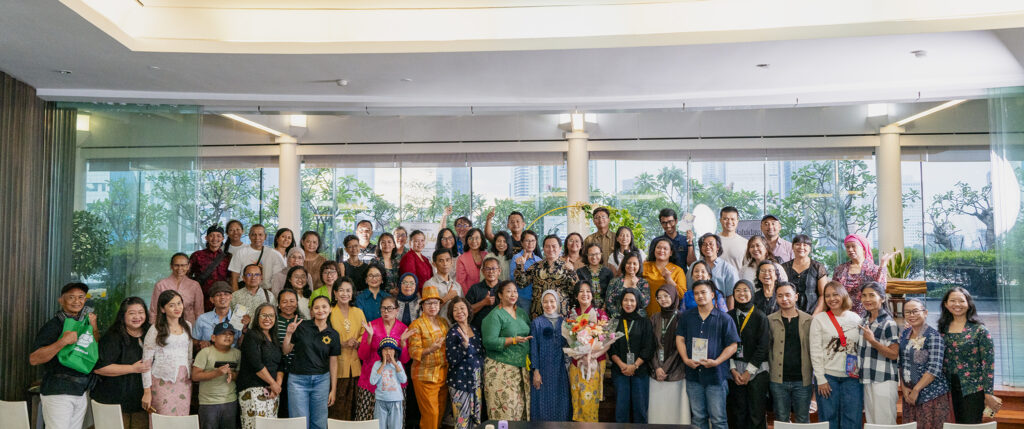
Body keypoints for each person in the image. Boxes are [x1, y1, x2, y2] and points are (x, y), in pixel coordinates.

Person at [30, 282, 99, 429]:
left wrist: (93, 327)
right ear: (61, 300)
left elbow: (94, 347)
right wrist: (62, 342)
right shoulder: (53, 325)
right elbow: (34, 358)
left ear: (85, 300)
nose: (77, 301)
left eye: (81, 297)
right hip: (58, 391)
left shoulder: (85, 324)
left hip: (80, 391)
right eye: (71, 297)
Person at [675, 280, 740, 429]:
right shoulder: (686, 316)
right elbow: (680, 339)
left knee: (719, 420)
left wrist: (717, 361)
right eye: (696, 293)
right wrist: (685, 359)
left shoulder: (724, 318)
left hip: (716, 376)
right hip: (693, 375)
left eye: (703, 292)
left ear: (712, 295)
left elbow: (733, 345)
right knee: (698, 418)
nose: (699, 296)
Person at [939, 287, 999, 423]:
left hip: (972, 389)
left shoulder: (980, 330)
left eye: (961, 301)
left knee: (970, 424)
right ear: (946, 304)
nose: (957, 304)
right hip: (947, 388)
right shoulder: (942, 329)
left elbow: (988, 364)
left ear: (968, 304)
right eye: (952, 301)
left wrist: (988, 393)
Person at [809, 281, 863, 429]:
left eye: (835, 294)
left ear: (843, 295)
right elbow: (815, 351)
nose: (831, 298)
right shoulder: (819, 319)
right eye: (827, 296)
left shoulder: (856, 318)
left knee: (852, 420)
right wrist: (820, 379)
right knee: (828, 419)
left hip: (852, 379)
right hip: (828, 378)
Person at [92, 296, 150, 429]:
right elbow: (99, 368)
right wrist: (132, 368)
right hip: (113, 400)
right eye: (132, 313)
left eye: (141, 312)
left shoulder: (150, 334)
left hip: (140, 402)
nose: (137, 317)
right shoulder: (113, 336)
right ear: (123, 316)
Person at [283, 295, 340, 429]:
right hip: (298, 380)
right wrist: (289, 333)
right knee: (299, 423)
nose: (320, 310)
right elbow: (286, 351)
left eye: (324, 307)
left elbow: (334, 362)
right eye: (316, 307)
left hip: (321, 381)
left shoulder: (333, 334)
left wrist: (334, 389)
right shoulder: (301, 326)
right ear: (312, 311)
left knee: (319, 423)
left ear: (330, 309)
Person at [481, 280, 533, 421]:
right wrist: (513, 340)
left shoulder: (521, 313)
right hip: (501, 369)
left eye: (515, 291)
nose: (513, 294)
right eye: (508, 291)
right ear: (500, 295)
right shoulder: (494, 316)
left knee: (520, 411)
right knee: (505, 413)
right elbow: (489, 341)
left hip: (521, 369)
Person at [899, 298, 955, 429]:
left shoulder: (933, 336)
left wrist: (916, 390)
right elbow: (901, 363)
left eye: (915, 311)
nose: (911, 315)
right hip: (909, 395)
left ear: (925, 312)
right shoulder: (905, 334)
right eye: (907, 312)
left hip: (931, 395)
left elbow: (934, 368)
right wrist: (904, 387)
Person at [357, 297, 413, 421]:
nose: (386, 311)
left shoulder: (403, 328)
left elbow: (404, 360)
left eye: (390, 308)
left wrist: (403, 342)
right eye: (383, 308)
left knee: (394, 422)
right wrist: (369, 337)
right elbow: (362, 355)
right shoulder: (372, 325)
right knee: (366, 419)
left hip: (394, 383)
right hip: (372, 377)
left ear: (397, 310)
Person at [767, 282, 814, 424]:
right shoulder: (769, 320)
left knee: (802, 419)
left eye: (788, 295)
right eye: (780, 296)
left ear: (796, 297)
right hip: (778, 380)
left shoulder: (809, 320)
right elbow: (766, 348)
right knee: (781, 418)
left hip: (802, 380)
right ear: (776, 298)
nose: (784, 299)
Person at [726, 279, 770, 429]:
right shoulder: (728, 316)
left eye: (745, 290)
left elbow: (763, 347)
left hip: (757, 371)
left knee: (755, 414)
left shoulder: (760, 316)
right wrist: (733, 370)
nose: (741, 293)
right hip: (734, 371)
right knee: (737, 413)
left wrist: (747, 372)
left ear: (751, 292)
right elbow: (724, 344)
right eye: (738, 290)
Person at [142, 290, 194, 418]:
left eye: (179, 303)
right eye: (171, 305)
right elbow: (146, 363)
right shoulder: (155, 329)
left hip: (184, 382)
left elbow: (189, 355)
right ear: (163, 309)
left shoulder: (188, 326)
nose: (177, 308)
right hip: (161, 381)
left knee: (182, 420)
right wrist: (147, 391)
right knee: (163, 420)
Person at [408, 286, 451, 429]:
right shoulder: (417, 324)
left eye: (436, 303)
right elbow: (413, 351)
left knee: (439, 414)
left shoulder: (444, 323)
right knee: (430, 415)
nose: (433, 306)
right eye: (429, 303)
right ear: (422, 306)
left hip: (442, 374)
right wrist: (430, 349)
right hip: (425, 375)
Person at [610, 289, 654, 423]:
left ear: (638, 302)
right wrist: (622, 365)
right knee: (621, 411)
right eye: (625, 300)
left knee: (640, 410)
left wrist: (634, 365)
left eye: (632, 300)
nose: (628, 303)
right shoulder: (614, 322)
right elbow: (611, 348)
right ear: (621, 302)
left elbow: (648, 347)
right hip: (620, 370)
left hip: (640, 371)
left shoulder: (645, 322)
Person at [237, 303, 285, 429]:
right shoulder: (251, 335)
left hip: (272, 392)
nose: (267, 319)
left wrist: (277, 385)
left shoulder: (274, 338)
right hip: (253, 391)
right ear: (257, 317)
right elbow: (256, 365)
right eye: (264, 315)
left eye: (271, 316)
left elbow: (281, 364)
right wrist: (273, 383)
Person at [858, 282, 899, 425]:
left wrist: (872, 340)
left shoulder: (889, 323)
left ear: (882, 298)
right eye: (864, 296)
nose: (867, 299)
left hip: (884, 380)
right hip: (867, 379)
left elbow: (894, 354)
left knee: (885, 423)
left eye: (871, 295)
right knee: (872, 423)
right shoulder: (863, 321)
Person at [567, 281, 609, 422]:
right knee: (577, 400)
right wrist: (579, 355)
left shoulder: (600, 314)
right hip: (576, 362)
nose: (585, 294)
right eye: (581, 291)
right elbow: (569, 339)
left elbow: (607, 341)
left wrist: (591, 355)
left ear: (592, 294)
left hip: (594, 363)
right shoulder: (572, 315)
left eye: (588, 291)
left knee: (589, 401)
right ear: (576, 295)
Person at [647, 285, 689, 424]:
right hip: (655, 372)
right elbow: (650, 345)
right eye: (659, 297)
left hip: (676, 371)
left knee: (675, 412)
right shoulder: (654, 317)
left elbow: (681, 348)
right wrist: (657, 367)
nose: (663, 300)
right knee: (658, 411)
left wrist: (665, 368)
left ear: (673, 296)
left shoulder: (682, 318)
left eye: (666, 296)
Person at [327, 278, 366, 421]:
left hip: (356, 367)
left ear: (352, 293)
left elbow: (365, 333)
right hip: (336, 367)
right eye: (341, 290)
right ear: (335, 293)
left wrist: (358, 342)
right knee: (337, 409)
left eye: (348, 290)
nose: (345, 294)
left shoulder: (358, 312)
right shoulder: (329, 312)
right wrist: (342, 343)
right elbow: (324, 338)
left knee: (355, 407)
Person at [530, 290, 572, 421]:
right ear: (541, 303)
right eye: (545, 301)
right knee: (542, 405)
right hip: (542, 371)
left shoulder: (564, 322)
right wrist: (536, 371)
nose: (549, 305)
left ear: (557, 303)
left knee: (562, 403)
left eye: (552, 301)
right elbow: (533, 348)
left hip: (560, 371)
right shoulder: (537, 323)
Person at [516, 234, 579, 318]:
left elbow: (575, 290)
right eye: (547, 246)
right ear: (543, 249)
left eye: (554, 246)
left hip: (561, 314)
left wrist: (571, 272)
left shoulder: (567, 266)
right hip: (538, 313)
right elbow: (522, 284)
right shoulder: (535, 266)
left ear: (560, 248)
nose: (551, 249)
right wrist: (520, 267)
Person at [192, 322, 241, 429]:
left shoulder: (237, 353)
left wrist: (232, 375)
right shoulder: (205, 352)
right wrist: (216, 373)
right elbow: (195, 376)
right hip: (208, 403)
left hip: (230, 402)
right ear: (213, 338)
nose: (228, 336)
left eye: (231, 334)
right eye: (223, 334)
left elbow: (240, 375)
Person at [447, 297, 485, 429]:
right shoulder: (452, 332)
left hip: (476, 381)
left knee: (476, 422)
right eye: (455, 310)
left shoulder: (475, 329)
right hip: (460, 382)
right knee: (462, 422)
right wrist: (464, 345)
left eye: (462, 308)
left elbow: (480, 353)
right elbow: (452, 359)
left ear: (468, 310)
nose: (459, 312)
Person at [832, 233, 891, 315]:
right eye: (847, 247)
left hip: (868, 313)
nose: (850, 249)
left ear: (863, 249)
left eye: (853, 246)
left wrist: (883, 265)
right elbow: (834, 291)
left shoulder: (874, 269)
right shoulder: (840, 269)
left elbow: (880, 289)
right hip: (844, 313)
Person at [151, 252, 205, 326]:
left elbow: (199, 311)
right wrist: (155, 329)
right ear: (171, 266)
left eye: (183, 265)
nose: (180, 268)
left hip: (189, 326)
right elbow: (154, 311)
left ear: (188, 266)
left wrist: (198, 331)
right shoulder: (160, 285)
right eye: (176, 265)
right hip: (166, 327)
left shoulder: (195, 285)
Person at [228, 224, 286, 290]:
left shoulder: (274, 254)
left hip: (267, 292)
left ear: (265, 236)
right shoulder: (240, 253)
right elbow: (234, 279)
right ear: (249, 236)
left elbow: (280, 279)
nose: (257, 238)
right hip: (245, 291)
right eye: (253, 235)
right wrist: (236, 296)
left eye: (260, 235)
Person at [189, 224, 233, 312]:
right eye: (211, 236)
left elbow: (231, 278)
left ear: (223, 239)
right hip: (202, 298)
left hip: (222, 299)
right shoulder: (197, 255)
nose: (215, 239)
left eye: (218, 236)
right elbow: (187, 275)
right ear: (206, 238)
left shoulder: (228, 257)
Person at [781, 234, 827, 314]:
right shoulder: (784, 267)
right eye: (798, 244)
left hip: (813, 313)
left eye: (805, 245)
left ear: (810, 248)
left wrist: (815, 315)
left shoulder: (818, 267)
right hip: (788, 313)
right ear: (792, 247)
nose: (801, 247)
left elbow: (823, 295)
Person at [276, 289, 304, 417]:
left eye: (292, 301)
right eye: (284, 301)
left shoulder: (303, 322)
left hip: (298, 371)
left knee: (295, 409)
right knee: (280, 408)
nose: (288, 304)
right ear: (278, 304)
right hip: (277, 370)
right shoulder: (273, 321)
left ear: (297, 303)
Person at [643, 237, 687, 315]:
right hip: (645, 315)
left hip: (667, 316)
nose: (661, 250)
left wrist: (669, 279)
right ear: (654, 250)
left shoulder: (678, 270)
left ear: (671, 253)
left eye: (665, 248)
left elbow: (682, 295)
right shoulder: (644, 266)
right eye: (658, 247)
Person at [371, 338, 408, 429]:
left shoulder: (398, 364)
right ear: (381, 352)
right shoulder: (377, 364)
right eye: (385, 349)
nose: (388, 352)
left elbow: (404, 380)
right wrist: (383, 364)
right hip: (381, 401)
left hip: (395, 400)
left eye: (391, 349)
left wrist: (395, 364)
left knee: (395, 426)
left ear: (395, 351)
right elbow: (373, 381)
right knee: (380, 426)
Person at [696, 233, 739, 309]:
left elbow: (731, 295)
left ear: (717, 247)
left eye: (711, 244)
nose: (707, 247)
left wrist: (728, 316)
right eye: (704, 244)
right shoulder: (695, 267)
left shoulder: (728, 268)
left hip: (720, 311)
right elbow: (689, 289)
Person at [194, 282, 242, 348]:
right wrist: (200, 343)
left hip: (232, 357)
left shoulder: (238, 318)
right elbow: (194, 341)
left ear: (231, 297)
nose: (222, 297)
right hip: (209, 356)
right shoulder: (202, 319)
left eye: (226, 294)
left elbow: (241, 343)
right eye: (218, 295)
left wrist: (244, 329)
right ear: (212, 299)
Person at [605, 251, 650, 322]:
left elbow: (644, 303)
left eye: (635, 264)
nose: (631, 266)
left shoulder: (643, 282)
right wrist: (619, 317)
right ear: (624, 264)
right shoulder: (614, 281)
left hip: (638, 321)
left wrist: (635, 286)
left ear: (639, 265)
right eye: (629, 263)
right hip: (618, 320)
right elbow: (609, 302)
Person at [424, 248, 463, 323]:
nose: (445, 264)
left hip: (456, 328)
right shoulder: (429, 284)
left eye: (447, 260)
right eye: (441, 261)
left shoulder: (457, 285)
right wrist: (447, 298)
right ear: (434, 264)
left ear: (452, 262)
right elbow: (427, 312)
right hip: (438, 329)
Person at [508, 230, 542, 313]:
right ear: (522, 243)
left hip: (537, 299)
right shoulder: (517, 258)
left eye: (533, 241)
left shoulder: (539, 260)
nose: (530, 243)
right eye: (527, 241)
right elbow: (513, 278)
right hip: (523, 298)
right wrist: (521, 266)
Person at [466, 256, 501, 331]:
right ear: (482, 271)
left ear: (499, 271)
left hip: (501, 330)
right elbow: (466, 310)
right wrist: (483, 303)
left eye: (494, 268)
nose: (491, 272)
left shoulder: (505, 288)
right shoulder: (475, 288)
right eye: (487, 269)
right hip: (478, 329)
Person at [577, 243, 613, 311]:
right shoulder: (580, 272)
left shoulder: (608, 272)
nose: (594, 257)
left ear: (601, 254)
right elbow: (578, 293)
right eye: (591, 254)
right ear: (587, 255)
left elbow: (611, 293)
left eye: (597, 254)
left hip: (605, 310)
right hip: (585, 309)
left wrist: (604, 308)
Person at [455, 228, 488, 293]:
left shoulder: (487, 255)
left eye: (477, 238)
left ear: (481, 240)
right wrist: (470, 298)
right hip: (470, 296)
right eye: (470, 238)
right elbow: (461, 282)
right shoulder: (462, 259)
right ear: (467, 240)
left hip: (488, 295)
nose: (474, 241)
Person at [716, 207, 747, 272]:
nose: (729, 222)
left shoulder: (745, 243)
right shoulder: (712, 241)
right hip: (714, 281)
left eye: (732, 219)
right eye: (725, 219)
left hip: (737, 281)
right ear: (720, 220)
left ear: (737, 221)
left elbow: (747, 268)